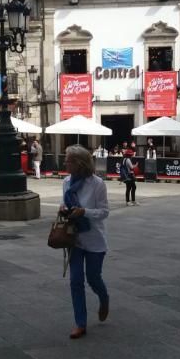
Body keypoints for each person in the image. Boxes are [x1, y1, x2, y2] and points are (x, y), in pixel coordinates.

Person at [60, 145, 110, 339]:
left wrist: (85, 212)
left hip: (94, 238)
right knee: (75, 281)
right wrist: (64, 209)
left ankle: (104, 297)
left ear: (79, 163)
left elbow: (104, 212)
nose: (65, 163)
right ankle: (80, 322)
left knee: (93, 278)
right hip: (74, 237)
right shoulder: (66, 182)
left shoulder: (97, 184)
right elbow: (65, 202)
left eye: (68, 160)